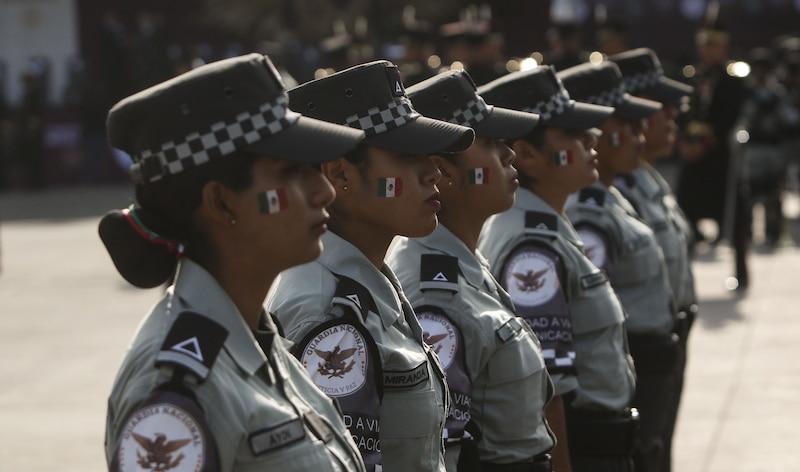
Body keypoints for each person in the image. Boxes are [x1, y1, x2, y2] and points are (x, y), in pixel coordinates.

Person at [100, 53, 368, 471]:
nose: (324, 192)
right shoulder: (176, 387)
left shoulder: (260, 339)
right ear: (221, 202)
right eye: (292, 172)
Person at [265, 60, 475, 472]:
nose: (433, 170)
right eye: (405, 155)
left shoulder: (369, 284)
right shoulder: (327, 311)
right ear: (340, 174)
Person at [387, 69, 556, 472]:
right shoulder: (433, 290)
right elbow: (447, 444)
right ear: (443, 172)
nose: (510, 154)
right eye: (492, 143)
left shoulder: (466, 262)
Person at [478, 64, 639, 472]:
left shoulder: (548, 225)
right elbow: (549, 386)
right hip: (580, 448)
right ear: (527, 154)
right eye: (572, 135)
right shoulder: (531, 245)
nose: (591, 141)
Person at [557, 62, 677, 472]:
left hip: (641, 365)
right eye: (625, 123)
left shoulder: (612, 197)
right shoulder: (588, 213)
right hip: (619, 377)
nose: (639, 135)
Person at [609, 47, 699, 472]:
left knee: (658, 449)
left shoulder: (647, 177)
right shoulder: (614, 189)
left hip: (668, 341)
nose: (672, 117)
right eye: (661, 107)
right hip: (636, 355)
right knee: (644, 454)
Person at [676, 20, 748, 290]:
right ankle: (682, 277)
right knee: (683, 216)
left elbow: (729, 116)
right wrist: (684, 143)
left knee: (735, 217)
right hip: (692, 158)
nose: (708, 51)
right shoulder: (692, 77)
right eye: (704, 45)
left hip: (719, 158)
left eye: (713, 45)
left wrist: (704, 144)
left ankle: (741, 273)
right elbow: (683, 114)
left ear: (723, 47)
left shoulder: (732, 80)